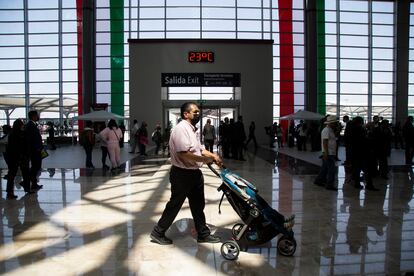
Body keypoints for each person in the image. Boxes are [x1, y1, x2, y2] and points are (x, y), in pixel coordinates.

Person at [150, 102, 223, 245]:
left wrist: (213, 156)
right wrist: (204, 159)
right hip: (182, 175)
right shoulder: (181, 129)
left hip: (194, 174)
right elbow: (184, 154)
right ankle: (158, 232)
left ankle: (203, 234)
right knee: (175, 204)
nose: (198, 114)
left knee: (198, 205)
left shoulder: (191, 129)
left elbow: (199, 148)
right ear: (186, 114)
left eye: (198, 112)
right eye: (195, 112)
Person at [5, 119, 31, 198]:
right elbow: (25, 146)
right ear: (20, 125)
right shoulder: (22, 134)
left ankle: (10, 192)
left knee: (11, 175)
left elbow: (9, 147)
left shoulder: (11, 134)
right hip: (22, 157)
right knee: (25, 173)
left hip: (13, 157)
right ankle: (27, 189)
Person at [314, 115, 339, 191]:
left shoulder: (330, 130)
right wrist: (325, 153)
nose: (335, 124)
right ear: (330, 123)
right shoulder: (326, 130)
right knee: (332, 170)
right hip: (329, 153)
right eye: (334, 123)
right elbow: (325, 142)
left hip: (330, 152)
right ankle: (329, 185)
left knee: (324, 168)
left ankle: (318, 181)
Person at [24, 110, 43, 191]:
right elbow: (31, 139)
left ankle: (32, 183)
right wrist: (37, 148)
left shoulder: (32, 125)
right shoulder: (30, 125)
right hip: (35, 151)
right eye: (37, 115)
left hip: (36, 150)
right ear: (33, 116)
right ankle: (28, 181)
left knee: (36, 166)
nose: (38, 116)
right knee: (36, 166)